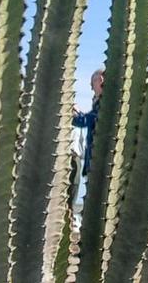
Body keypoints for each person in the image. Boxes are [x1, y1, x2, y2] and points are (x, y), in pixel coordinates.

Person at [67, 69, 104, 210]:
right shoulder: (98, 102)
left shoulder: (105, 103)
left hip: (98, 160)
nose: (91, 86)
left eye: (93, 82)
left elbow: (90, 119)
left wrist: (74, 115)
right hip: (93, 160)